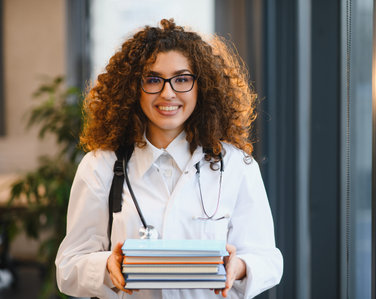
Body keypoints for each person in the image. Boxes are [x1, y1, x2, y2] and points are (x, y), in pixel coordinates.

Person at [55, 19, 283, 299]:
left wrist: (242, 266)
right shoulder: (99, 166)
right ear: (133, 88)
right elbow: (68, 268)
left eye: (182, 79)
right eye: (153, 79)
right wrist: (106, 266)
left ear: (202, 86)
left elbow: (268, 258)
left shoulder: (236, 166)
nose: (167, 92)